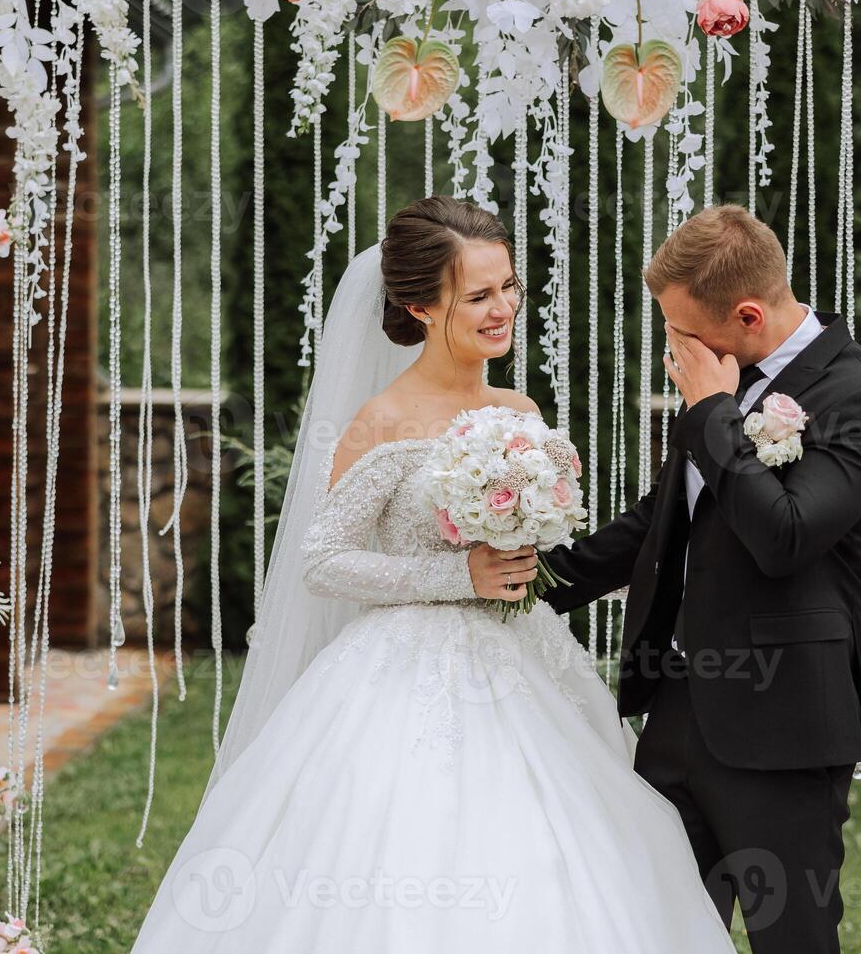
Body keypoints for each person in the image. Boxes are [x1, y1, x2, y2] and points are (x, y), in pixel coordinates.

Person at [130, 196, 734, 952]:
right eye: (478, 296)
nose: (503, 308)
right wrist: (460, 575)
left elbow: (538, 556)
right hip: (401, 672)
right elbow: (323, 558)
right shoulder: (384, 419)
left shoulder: (519, 409)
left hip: (524, 658)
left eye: (509, 287)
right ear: (419, 305)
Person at [542, 204, 861, 954]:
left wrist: (711, 409)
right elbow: (662, 523)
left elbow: (786, 536)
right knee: (654, 933)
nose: (675, 351)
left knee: (791, 940)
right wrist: (527, 584)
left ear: (747, 314)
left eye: (683, 334)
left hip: (783, 723)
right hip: (676, 711)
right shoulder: (724, 380)